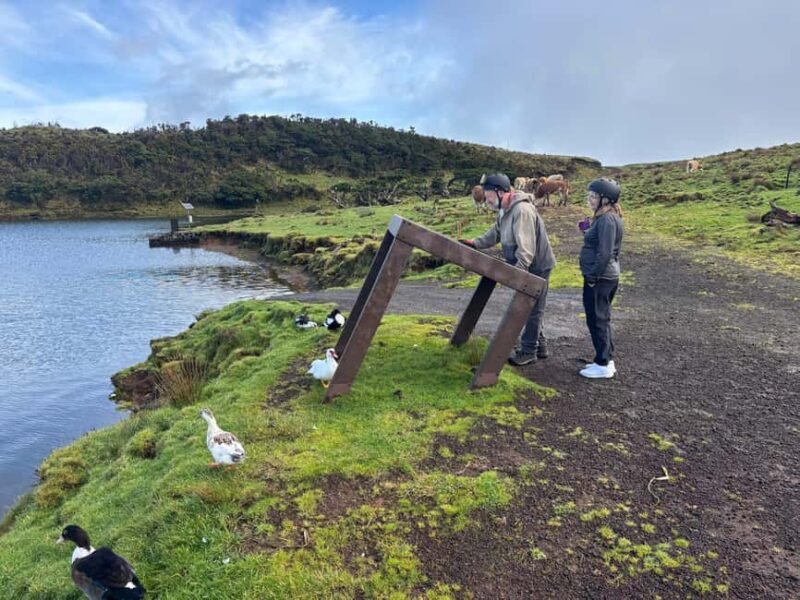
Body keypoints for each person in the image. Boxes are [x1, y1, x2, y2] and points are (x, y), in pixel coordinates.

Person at [460, 173, 556, 365]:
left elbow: (526, 249)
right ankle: (540, 345)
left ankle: (529, 351)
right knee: (532, 306)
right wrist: (475, 243)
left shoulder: (521, 210)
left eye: (488, 194)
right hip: (526, 264)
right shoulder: (504, 209)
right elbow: (495, 233)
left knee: (531, 308)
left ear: (500, 192)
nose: (486, 199)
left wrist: (517, 275)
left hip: (536, 266)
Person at [578, 178, 624, 378]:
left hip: (601, 278)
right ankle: (605, 359)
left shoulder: (607, 220)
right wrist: (587, 231)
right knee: (601, 317)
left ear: (605, 199)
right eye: (589, 196)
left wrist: (593, 276)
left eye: (594, 196)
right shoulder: (605, 218)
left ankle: (603, 364)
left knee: (597, 319)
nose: (590, 199)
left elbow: (605, 252)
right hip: (603, 276)